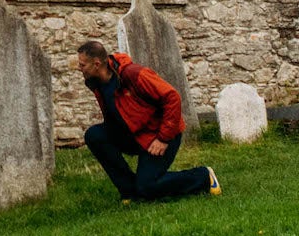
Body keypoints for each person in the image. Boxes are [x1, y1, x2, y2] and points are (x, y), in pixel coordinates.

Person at [74, 40, 218, 203]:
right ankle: (129, 191)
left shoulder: (133, 74)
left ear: (97, 64)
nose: (79, 69)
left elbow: (172, 98)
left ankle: (204, 177)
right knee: (94, 135)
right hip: (133, 134)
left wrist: (163, 138)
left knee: (148, 187)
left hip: (159, 135)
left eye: (82, 65)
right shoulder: (96, 83)